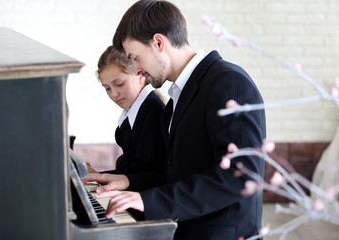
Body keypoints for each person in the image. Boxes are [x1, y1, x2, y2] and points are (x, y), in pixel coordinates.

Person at [96, 1, 266, 239]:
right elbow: (180, 173)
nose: (136, 69)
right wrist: (128, 181)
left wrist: (149, 200)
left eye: (135, 57)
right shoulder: (178, 96)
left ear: (158, 42)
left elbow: (242, 177)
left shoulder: (228, 82)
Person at [84, 45, 167, 196]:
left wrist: (99, 177)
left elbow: (154, 176)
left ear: (140, 74)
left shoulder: (152, 110)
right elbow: (131, 173)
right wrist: (97, 175)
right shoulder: (135, 110)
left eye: (119, 84)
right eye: (107, 88)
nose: (114, 94)